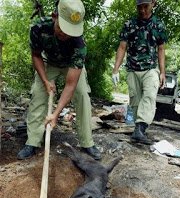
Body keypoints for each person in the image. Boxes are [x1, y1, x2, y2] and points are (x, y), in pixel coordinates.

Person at [17, 0, 101, 160]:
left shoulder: (79, 43)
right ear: (54, 16)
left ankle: (87, 142)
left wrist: (55, 114)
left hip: (71, 65)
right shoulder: (38, 28)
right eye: (62, 29)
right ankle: (33, 141)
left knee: (82, 94)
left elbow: (70, 85)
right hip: (49, 62)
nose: (66, 35)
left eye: (71, 31)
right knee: (38, 93)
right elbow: (36, 55)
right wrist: (45, 81)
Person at [112, 0, 167, 144]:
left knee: (149, 95)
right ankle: (138, 130)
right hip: (132, 69)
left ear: (153, 3)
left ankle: (140, 129)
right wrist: (115, 69)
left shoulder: (159, 25)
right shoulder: (129, 24)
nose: (142, 10)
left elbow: (161, 49)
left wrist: (162, 72)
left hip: (150, 68)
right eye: (139, 7)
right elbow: (122, 47)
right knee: (135, 101)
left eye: (145, 6)